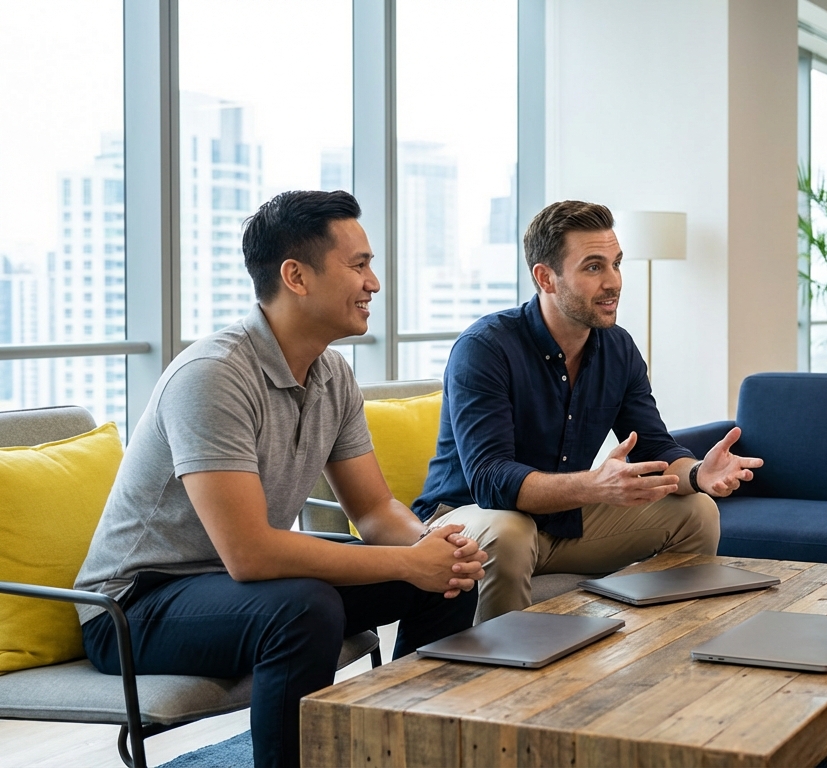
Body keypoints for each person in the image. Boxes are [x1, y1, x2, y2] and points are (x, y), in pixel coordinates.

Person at [74, 190, 488, 768]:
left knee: (448, 578)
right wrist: (405, 563)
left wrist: (430, 549)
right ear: (296, 276)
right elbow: (250, 554)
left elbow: (372, 511)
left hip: (236, 586)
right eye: (359, 265)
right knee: (303, 606)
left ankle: (402, 748)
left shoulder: (332, 373)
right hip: (137, 605)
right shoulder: (212, 376)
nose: (374, 283)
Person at [412, 200, 763, 621]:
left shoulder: (618, 348)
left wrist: (696, 473)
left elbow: (652, 445)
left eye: (616, 264)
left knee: (696, 511)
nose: (613, 281)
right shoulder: (486, 348)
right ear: (546, 278)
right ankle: (502, 678)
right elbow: (490, 481)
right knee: (511, 530)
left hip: (560, 522)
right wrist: (595, 487)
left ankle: (666, 656)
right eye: (594, 267)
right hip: (467, 521)